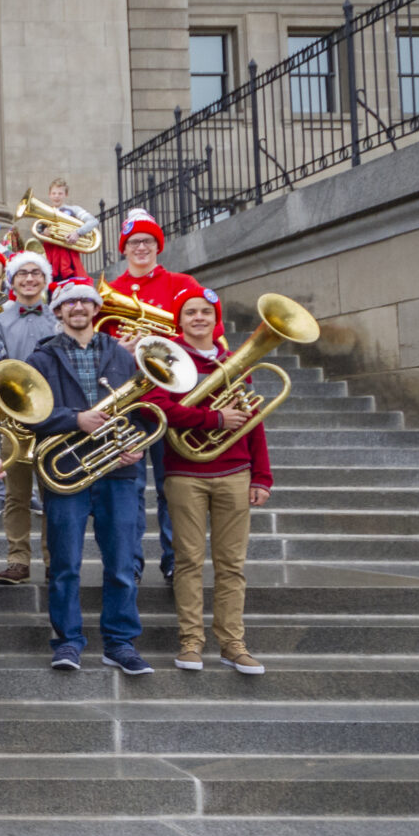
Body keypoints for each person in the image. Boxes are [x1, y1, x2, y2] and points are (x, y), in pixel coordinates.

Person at [26, 279, 151, 676]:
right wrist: (74, 419)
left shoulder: (122, 354)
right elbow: (28, 414)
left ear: (96, 309)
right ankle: (68, 641)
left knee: (120, 562)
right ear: (58, 311)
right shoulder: (41, 359)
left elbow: (144, 407)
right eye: (68, 302)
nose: (77, 306)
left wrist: (140, 443)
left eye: (85, 300)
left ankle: (120, 642)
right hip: (68, 470)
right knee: (65, 563)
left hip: (119, 469)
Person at [145, 285, 271, 675]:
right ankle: (191, 642)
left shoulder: (235, 362)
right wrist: (214, 419)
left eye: (205, 312)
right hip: (186, 473)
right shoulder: (167, 361)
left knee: (232, 565)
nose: (198, 318)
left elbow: (252, 421)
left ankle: (233, 643)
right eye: (190, 312)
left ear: (216, 320)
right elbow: (157, 410)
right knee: (188, 562)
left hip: (235, 473)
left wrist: (262, 475)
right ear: (179, 321)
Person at [107, 207, 202, 585]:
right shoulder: (112, 292)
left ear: (158, 245)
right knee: (127, 490)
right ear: (124, 248)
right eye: (133, 243)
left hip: (173, 400)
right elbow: (100, 345)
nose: (141, 248)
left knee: (172, 485)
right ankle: (129, 562)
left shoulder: (183, 284)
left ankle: (174, 559)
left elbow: (204, 330)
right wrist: (121, 349)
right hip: (130, 402)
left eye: (147, 241)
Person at [0, 250, 57, 586]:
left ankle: (55, 559)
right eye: (22, 273)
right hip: (14, 416)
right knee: (16, 495)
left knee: (53, 494)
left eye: (36, 273)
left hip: (54, 417)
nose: (29, 279)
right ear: (12, 280)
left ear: (45, 279)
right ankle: (18, 559)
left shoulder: (58, 317)